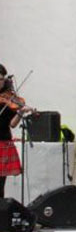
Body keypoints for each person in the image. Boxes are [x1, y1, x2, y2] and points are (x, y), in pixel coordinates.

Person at [0, 64, 28, 198]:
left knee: (0, 185)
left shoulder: (9, 98)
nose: (0, 82)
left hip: (3, 143)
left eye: (1, 79)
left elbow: (12, 124)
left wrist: (20, 113)